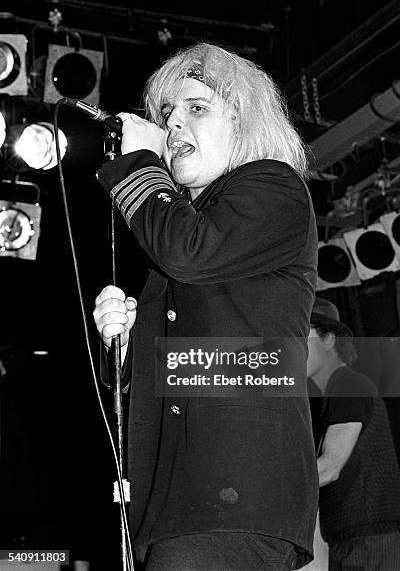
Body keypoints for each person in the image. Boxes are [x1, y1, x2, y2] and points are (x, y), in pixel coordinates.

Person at [93, 43, 318, 570]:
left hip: (235, 492)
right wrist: (122, 349)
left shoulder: (272, 187)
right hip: (175, 504)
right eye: (166, 114)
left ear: (244, 120)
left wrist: (137, 161)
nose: (173, 125)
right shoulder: (182, 238)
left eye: (196, 108)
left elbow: (188, 254)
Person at [307, 297, 400, 571]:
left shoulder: (349, 385)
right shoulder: (331, 392)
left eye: (303, 336)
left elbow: (330, 468)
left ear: (328, 339)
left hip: (368, 543)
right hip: (351, 541)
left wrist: (272, 491)